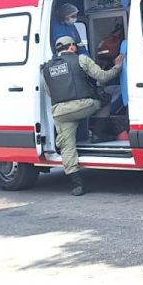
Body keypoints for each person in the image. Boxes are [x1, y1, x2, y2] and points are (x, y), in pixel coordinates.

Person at [42, 36, 122, 196]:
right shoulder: (81, 59)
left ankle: (77, 184)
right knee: (104, 100)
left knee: (67, 146)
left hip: (60, 112)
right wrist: (118, 66)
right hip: (83, 106)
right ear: (71, 47)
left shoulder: (47, 68)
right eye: (75, 45)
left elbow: (49, 92)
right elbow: (103, 77)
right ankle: (98, 135)